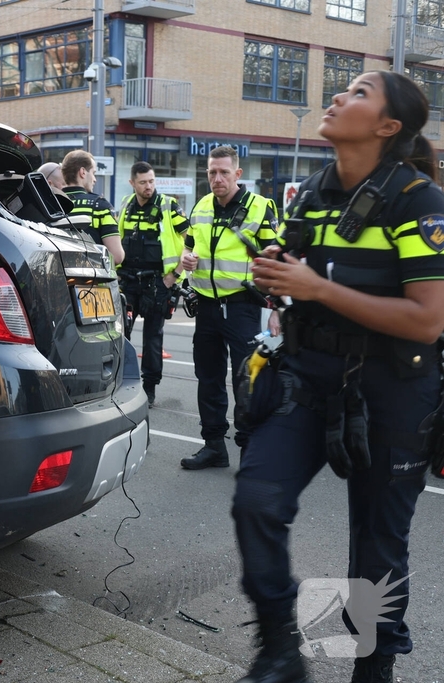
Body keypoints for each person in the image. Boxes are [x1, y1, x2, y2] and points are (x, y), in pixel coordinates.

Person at [231, 71, 444, 683]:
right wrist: (278, 278)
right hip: (307, 378)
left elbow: (428, 320)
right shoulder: (314, 193)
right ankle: (279, 649)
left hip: (394, 392)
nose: (336, 97)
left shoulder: (418, 201)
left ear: (387, 127)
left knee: (375, 551)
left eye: (356, 92)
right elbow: (307, 286)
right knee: (257, 502)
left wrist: (317, 286)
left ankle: (371, 669)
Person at [179, 146, 278, 470]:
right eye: (211, 172)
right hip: (206, 306)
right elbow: (189, 249)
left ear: (237, 173)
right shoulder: (202, 206)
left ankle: (250, 450)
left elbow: (274, 261)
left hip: (241, 308)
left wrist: (277, 308)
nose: (216, 178)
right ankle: (213, 446)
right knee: (207, 378)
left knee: (247, 381)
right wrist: (186, 260)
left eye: (223, 172)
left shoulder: (260, 208)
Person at [115, 161, 190, 407]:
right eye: (143, 182)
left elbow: (192, 241)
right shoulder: (126, 204)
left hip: (157, 282)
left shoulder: (169, 206)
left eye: (152, 181)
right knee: (120, 334)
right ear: (132, 183)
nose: (149, 186)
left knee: (152, 338)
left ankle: (149, 389)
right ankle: (120, 382)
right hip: (127, 281)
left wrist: (174, 276)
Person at [61, 150, 125, 264]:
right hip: (90, 279)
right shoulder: (99, 206)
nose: (95, 179)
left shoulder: (50, 204)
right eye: (93, 173)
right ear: (83, 172)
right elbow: (116, 256)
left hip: (56, 279)